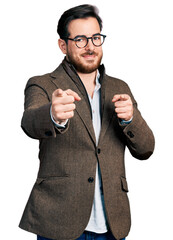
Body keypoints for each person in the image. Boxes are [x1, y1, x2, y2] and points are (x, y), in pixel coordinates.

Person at [19, 4, 155, 240]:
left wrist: (131, 119)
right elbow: (29, 122)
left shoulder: (120, 88)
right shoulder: (42, 84)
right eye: (80, 39)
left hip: (113, 223)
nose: (90, 46)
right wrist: (53, 114)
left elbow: (145, 149)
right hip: (59, 221)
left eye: (95, 38)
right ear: (63, 45)